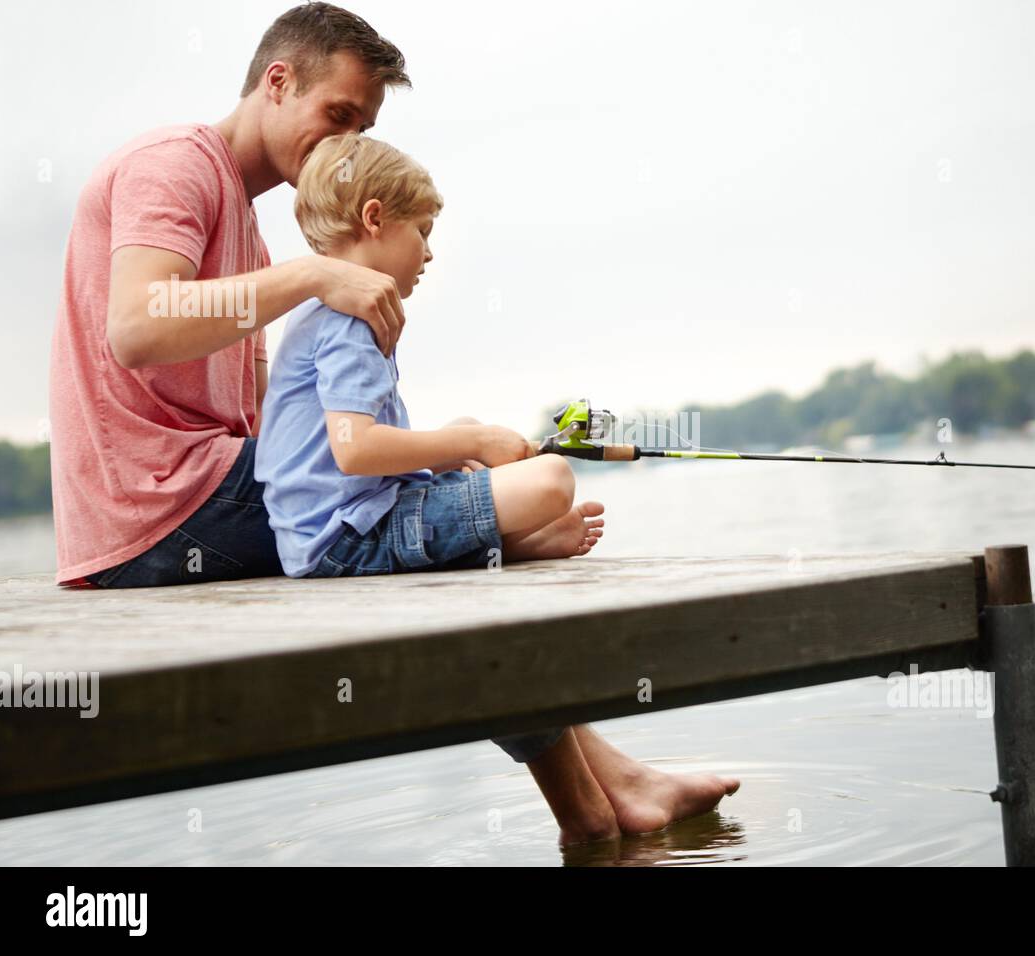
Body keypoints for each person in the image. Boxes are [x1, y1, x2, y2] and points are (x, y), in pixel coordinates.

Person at [254, 131, 740, 845]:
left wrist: (454, 448)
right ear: (375, 219)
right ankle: (520, 540)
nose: (428, 253)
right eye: (423, 232)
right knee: (551, 478)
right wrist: (474, 445)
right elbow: (355, 451)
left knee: (486, 457)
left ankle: (514, 543)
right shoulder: (351, 323)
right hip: (355, 541)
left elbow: (353, 452)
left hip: (336, 533)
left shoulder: (327, 319)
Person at [50, 3, 413, 588]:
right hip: (161, 507)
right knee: (452, 498)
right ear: (279, 82)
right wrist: (316, 275)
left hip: (202, 491)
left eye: (361, 131)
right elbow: (137, 327)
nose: (346, 145)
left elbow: (268, 415)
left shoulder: (250, 236)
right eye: (338, 114)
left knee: (433, 476)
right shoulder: (171, 165)